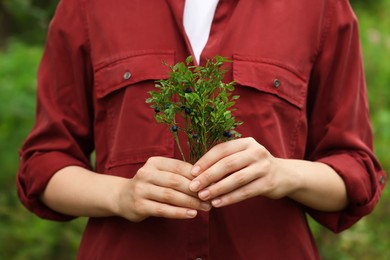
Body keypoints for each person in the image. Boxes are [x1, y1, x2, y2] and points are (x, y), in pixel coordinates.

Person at [17, 0, 386, 259]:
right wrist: (122, 195)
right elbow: (43, 166)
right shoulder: (90, 6)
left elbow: (356, 173)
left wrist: (281, 172)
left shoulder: (318, 7)